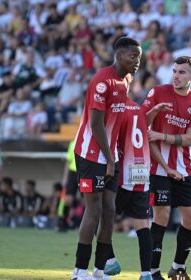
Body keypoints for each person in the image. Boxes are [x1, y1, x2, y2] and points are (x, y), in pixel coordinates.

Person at [71, 37, 142, 280]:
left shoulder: (126, 80)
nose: (137, 62)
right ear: (119, 55)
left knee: (110, 210)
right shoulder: (103, 81)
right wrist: (111, 160)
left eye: (139, 58)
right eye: (133, 57)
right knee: (94, 209)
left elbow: (120, 118)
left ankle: (99, 270)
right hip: (92, 153)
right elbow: (96, 124)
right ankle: (79, 270)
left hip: (111, 154)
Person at [143, 56, 191, 280]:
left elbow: (189, 139)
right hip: (157, 168)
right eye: (174, 71)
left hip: (183, 167)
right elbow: (142, 126)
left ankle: (178, 266)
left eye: (182, 72)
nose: (176, 76)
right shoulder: (157, 93)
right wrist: (154, 112)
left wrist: (161, 135)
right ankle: (152, 271)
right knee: (161, 215)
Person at [108, 98, 167, 280]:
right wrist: (153, 113)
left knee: (102, 215)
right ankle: (146, 274)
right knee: (142, 225)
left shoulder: (116, 108)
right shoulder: (137, 108)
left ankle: (108, 261)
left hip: (125, 171)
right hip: (142, 171)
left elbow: (111, 136)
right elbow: (141, 127)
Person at [59, 140, 78, 231]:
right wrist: (65, 178)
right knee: (68, 199)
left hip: (85, 172)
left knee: (88, 200)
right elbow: (68, 162)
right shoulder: (72, 143)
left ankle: (87, 225)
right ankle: (63, 222)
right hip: (73, 172)